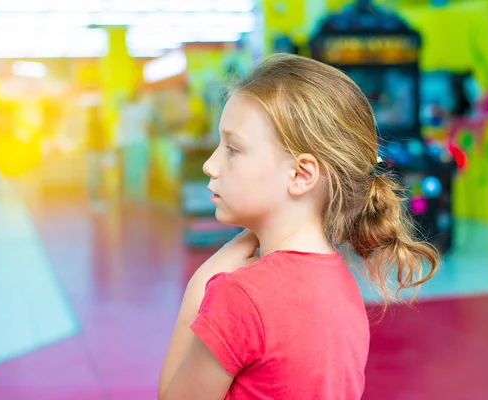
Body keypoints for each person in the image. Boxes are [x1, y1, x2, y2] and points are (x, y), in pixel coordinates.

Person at [158, 54, 439, 400]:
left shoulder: (238, 295)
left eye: (233, 149)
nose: (210, 165)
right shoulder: (343, 286)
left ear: (301, 175)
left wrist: (201, 281)